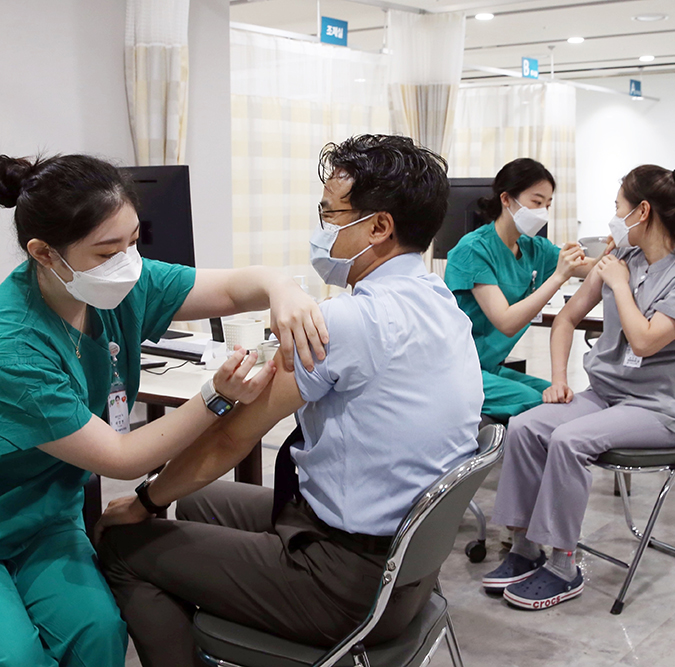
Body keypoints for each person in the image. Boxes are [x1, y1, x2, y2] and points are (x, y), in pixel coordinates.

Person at [95, 135, 484, 667]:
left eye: (330, 214)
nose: (322, 229)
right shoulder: (440, 300)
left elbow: (232, 437)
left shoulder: (348, 322)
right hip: (406, 570)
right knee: (199, 501)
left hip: (344, 583)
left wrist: (142, 501)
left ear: (379, 227)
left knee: (124, 543)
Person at [0, 153, 328, 667]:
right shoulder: (16, 346)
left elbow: (233, 288)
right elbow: (123, 457)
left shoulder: (123, 288)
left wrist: (281, 288)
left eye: (134, 241)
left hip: (46, 515)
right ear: (44, 253)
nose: (128, 263)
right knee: (18, 657)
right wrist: (216, 397)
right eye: (107, 251)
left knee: (99, 633)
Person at [482, 165, 675, 610]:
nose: (613, 217)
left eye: (617, 207)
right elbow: (566, 318)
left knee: (569, 439)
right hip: (606, 396)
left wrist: (619, 285)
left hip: (660, 410)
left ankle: (563, 565)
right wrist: (558, 380)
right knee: (527, 426)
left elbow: (644, 341)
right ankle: (525, 548)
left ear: (641, 212)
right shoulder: (620, 261)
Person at [444, 158, 593, 421]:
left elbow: (591, 267)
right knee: (543, 406)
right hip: (456, 371)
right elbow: (506, 322)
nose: (542, 212)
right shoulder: (473, 250)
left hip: (489, 368)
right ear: (506, 199)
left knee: (569, 403)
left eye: (547, 205)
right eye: (536, 202)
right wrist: (558, 277)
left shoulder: (535, 248)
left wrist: (619, 252)